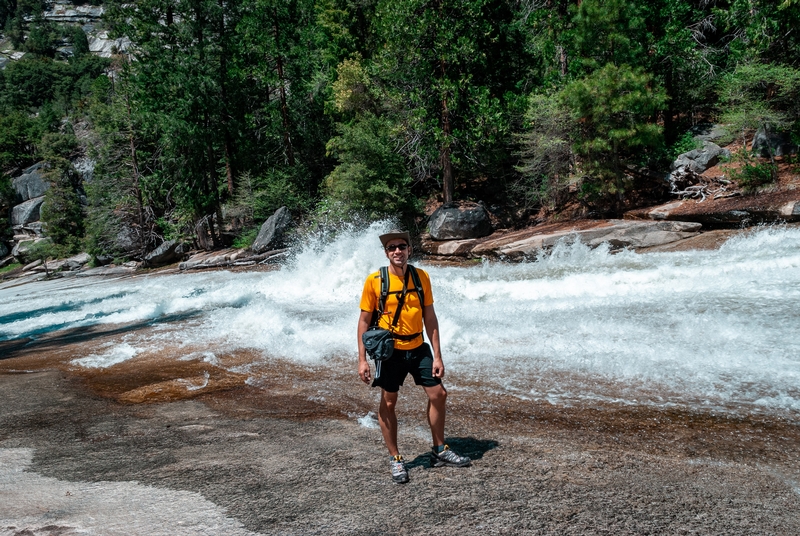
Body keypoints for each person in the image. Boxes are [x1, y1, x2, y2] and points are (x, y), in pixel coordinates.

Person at [357, 230, 471, 484]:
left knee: (438, 394)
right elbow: (364, 322)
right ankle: (396, 459)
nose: (397, 251)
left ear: (409, 250)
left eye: (402, 247)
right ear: (386, 253)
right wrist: (362, 360)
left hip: (418, 346)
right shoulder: (375, 281)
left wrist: (438, 355)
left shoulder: (421, 277)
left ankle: (440, 450)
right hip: (390, 352)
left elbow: (430, 317)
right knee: (388, 402)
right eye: (392, 248)